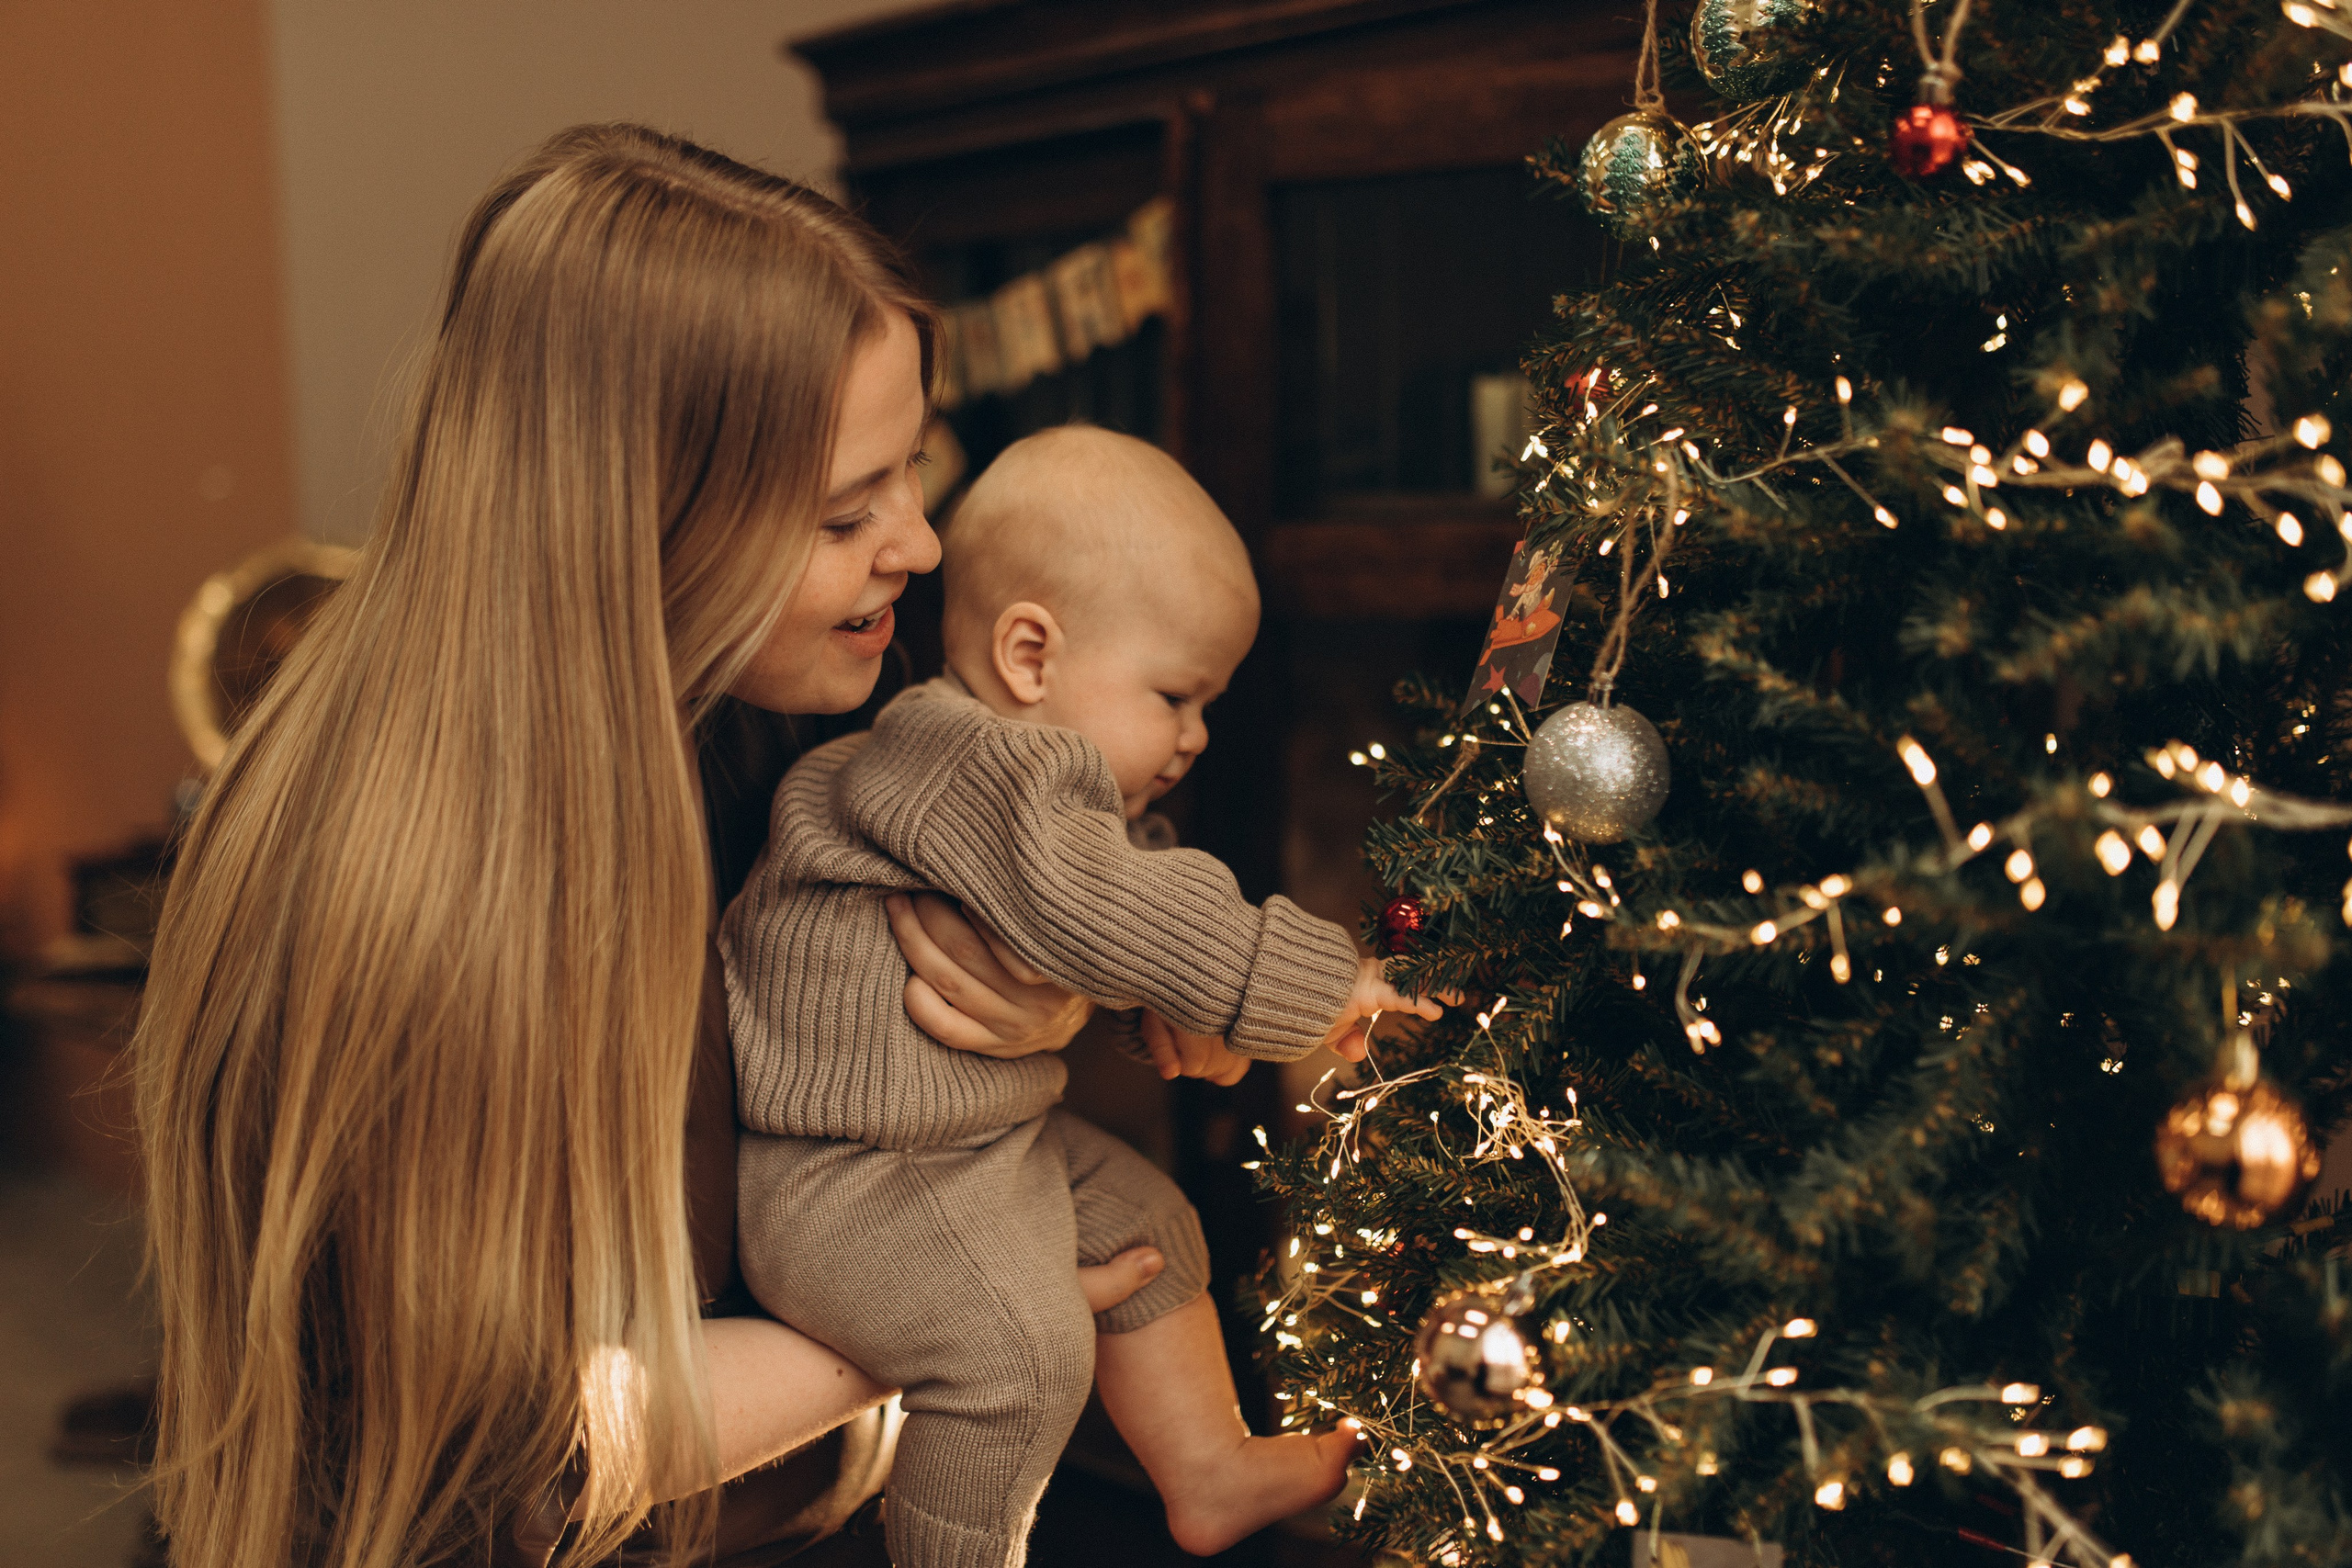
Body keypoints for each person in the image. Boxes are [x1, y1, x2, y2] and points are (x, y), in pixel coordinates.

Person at [131, 124, 1175, 1568]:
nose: (921, 548)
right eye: (842, 512)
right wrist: (961, 1324)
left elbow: (1013, 854)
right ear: (642, 515)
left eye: (912, 474)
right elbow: (506, 1448)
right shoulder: (420, 880)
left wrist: (1050, 984)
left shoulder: (763, 707)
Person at [721, 425, 1444, 1567]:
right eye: (1174, 694)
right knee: (1019, 1356)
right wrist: (1311, 979)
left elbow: (1107, 912)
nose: (1195, 736)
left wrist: (1173, 1004)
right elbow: (1093, 903)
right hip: (848, 1177)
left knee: (1151, 1221)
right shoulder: (959, 759)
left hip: (967, 1143)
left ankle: (1205, 1466)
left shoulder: (1037, 802)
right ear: (1029, 656)